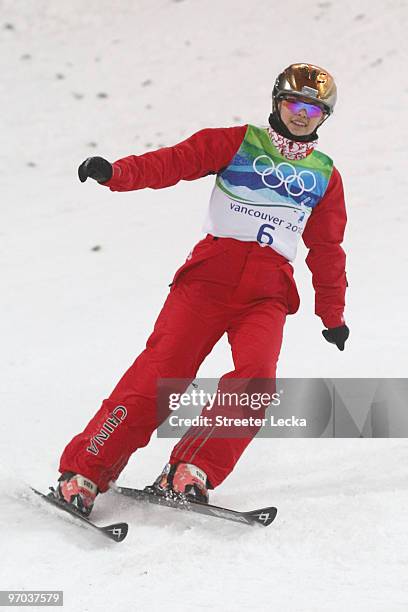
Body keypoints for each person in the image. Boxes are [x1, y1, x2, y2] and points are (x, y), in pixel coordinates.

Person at [55, 63, 349, 516]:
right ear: (276, 101)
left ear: (324, 116)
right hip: (208, 280)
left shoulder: (325, 175)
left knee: (256, 382)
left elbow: (327, 248)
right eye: (294, 102)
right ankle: (85, 472)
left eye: (313, 108)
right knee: (160, 374)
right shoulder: (236, 142)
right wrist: (116, 172)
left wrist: (333, 314)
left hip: (267, 293)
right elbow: (173, 161)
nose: (301, 114)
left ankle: (191, 469)